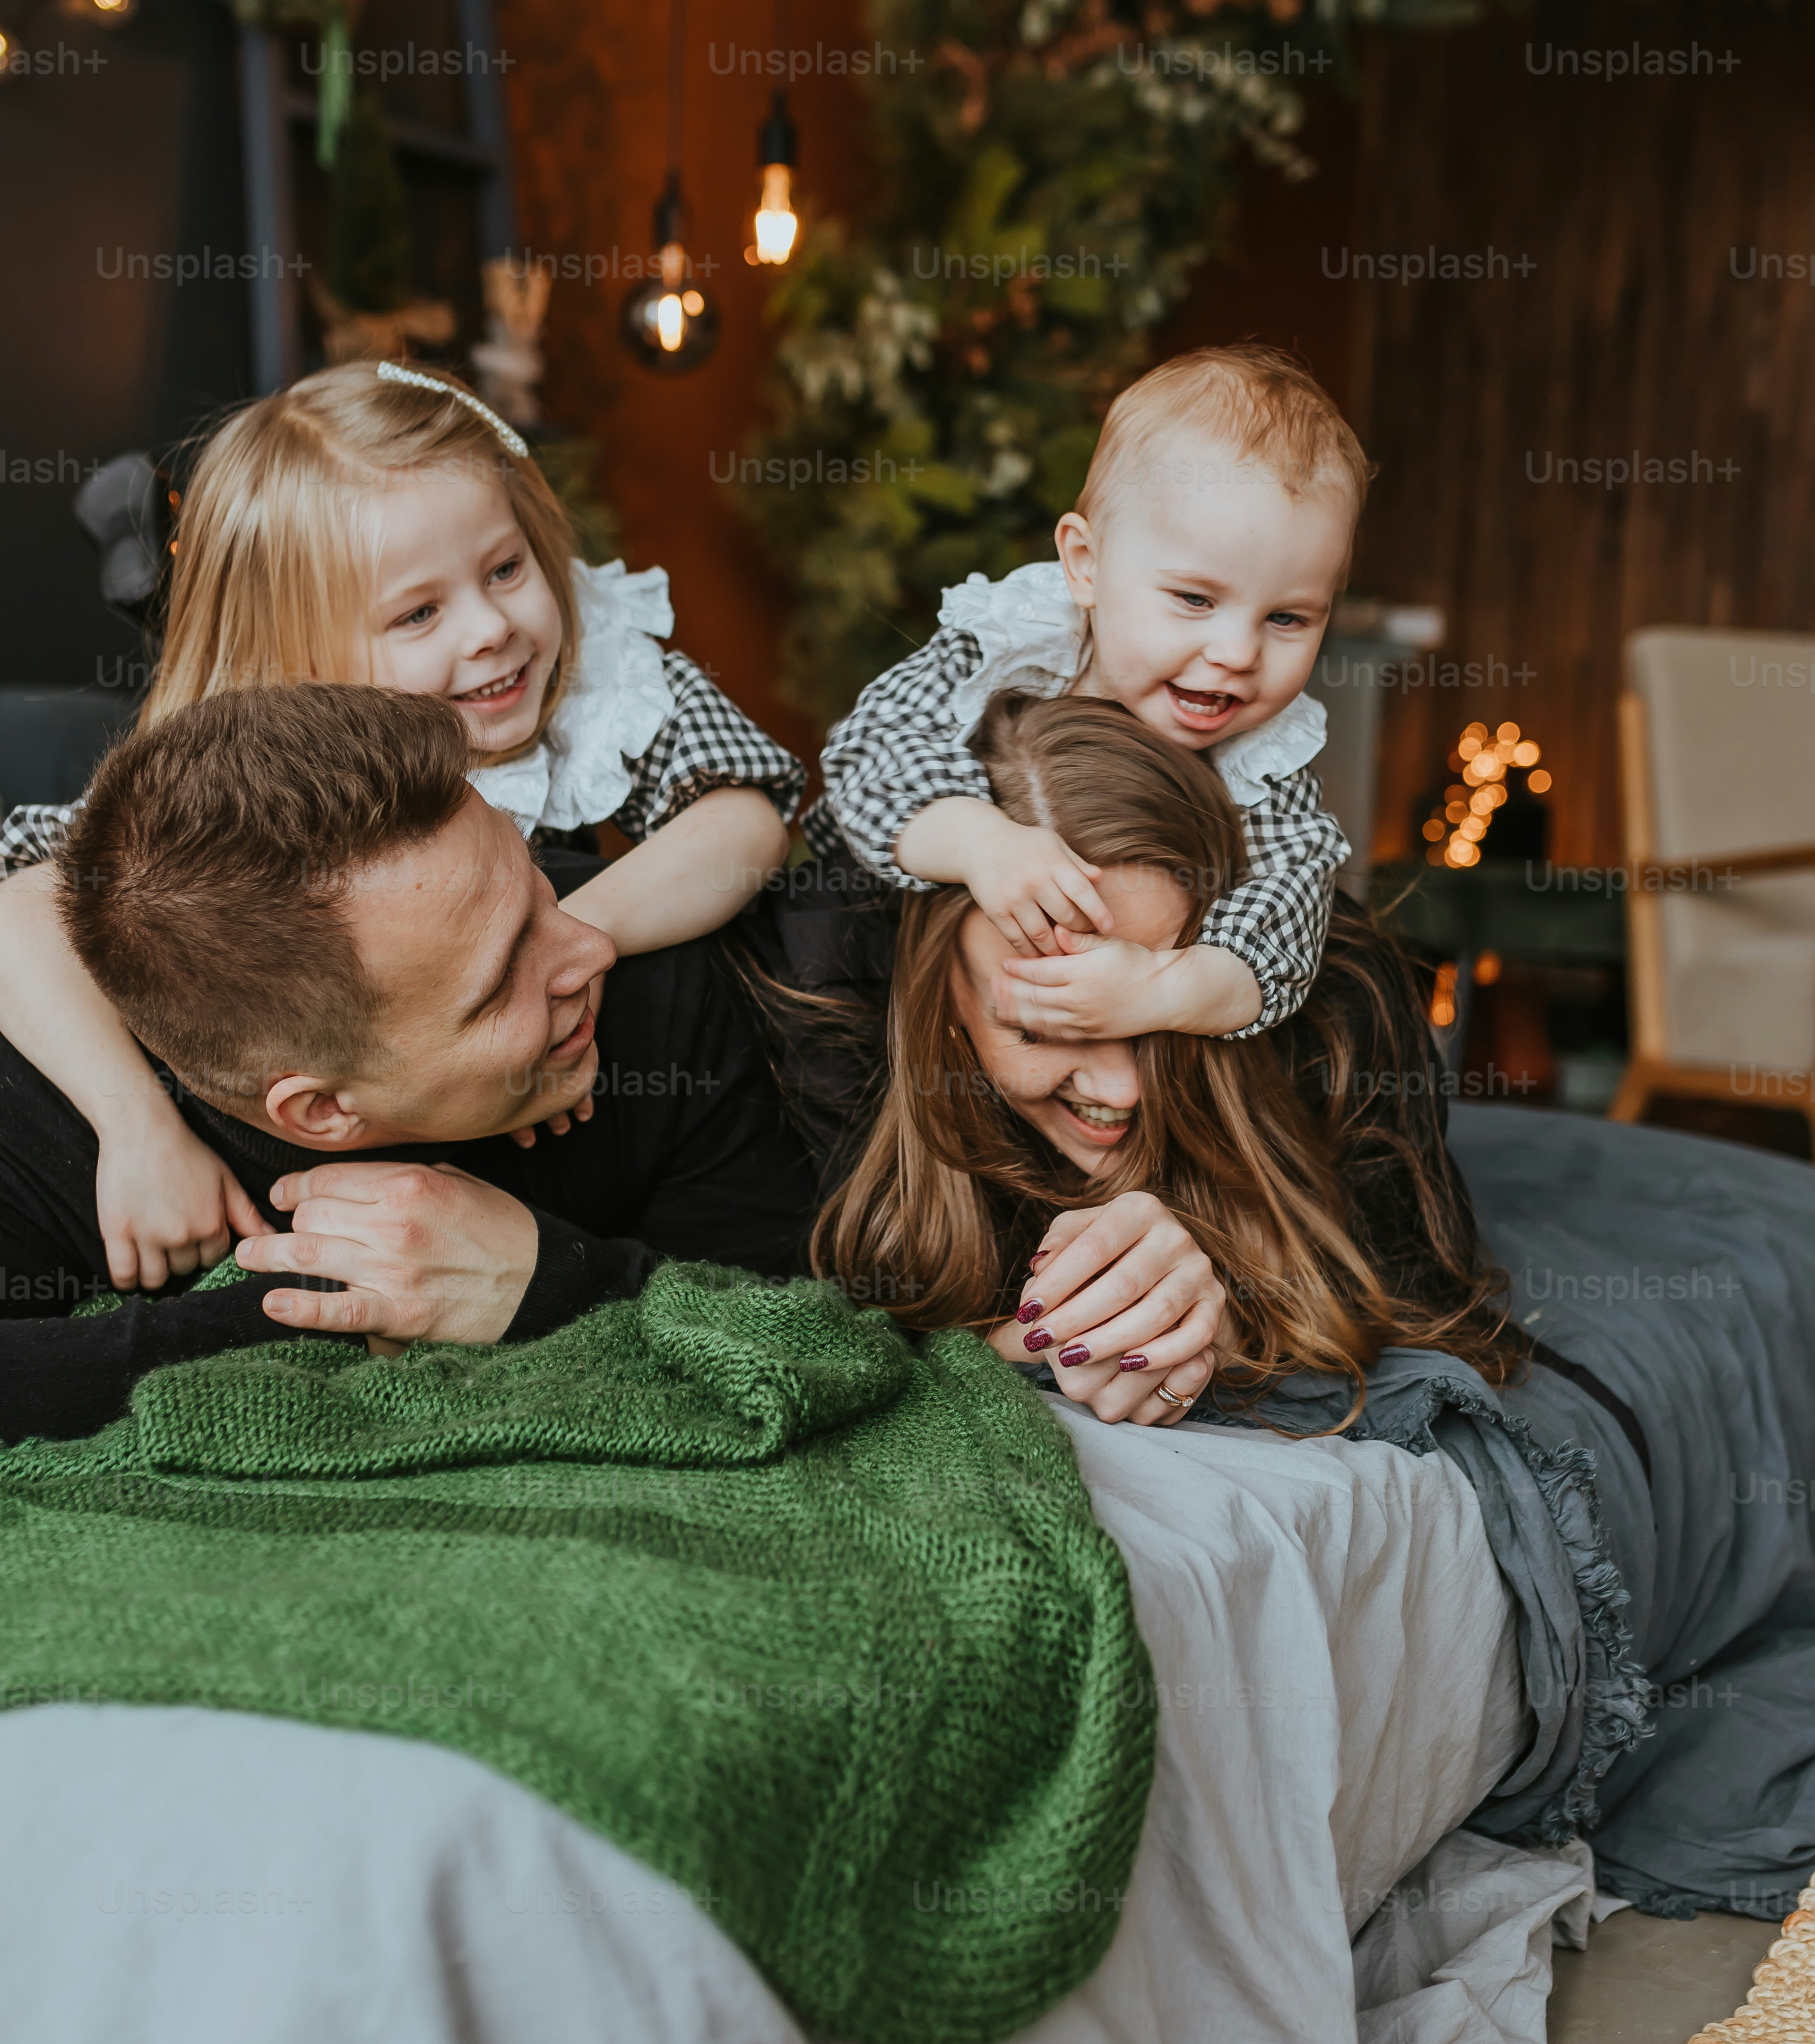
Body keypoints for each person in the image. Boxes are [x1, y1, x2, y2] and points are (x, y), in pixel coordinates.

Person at [0, 680, 1250, 1450]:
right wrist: (316, 1313)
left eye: (538, 885)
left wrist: (545, 1282)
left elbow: (805, 1328)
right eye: (503, 978)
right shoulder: (48, 1116)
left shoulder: (646, 994)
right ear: (320, 1111)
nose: (580, 950)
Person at [0, 359, 802, 1297]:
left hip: (567, 1126)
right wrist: (134, 1125)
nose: (492, 626)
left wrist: (550, 970)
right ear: (300, 658)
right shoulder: (248, 776)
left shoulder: (602, 673)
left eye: (505, 569)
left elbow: (745, 820)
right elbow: (26, 903)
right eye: (419, 612)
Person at [760, 691, 1519, 1429]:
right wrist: (1053, 1332)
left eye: (1163, 1011)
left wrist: (1226, 1314)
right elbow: (801, 1311)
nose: (1123, 1090)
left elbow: (1424, 1294)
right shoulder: (826, 989)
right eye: (1047, 1023)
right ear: (936, 974)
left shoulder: (1334, 986)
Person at [807, 342, 1361, 1055]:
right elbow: (871, 750)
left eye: (1287, 618)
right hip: (872, 936)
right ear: (1086, 567)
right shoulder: (1018, 642)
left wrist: (1164, 989)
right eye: (1195, 599)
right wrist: (983, 842)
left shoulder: (1265, 756)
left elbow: (1292, 905)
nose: (1238, 654)